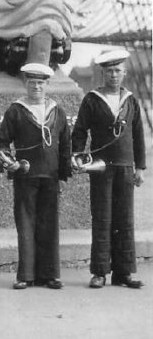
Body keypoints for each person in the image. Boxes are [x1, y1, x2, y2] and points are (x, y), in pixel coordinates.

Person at [72, 49, 146, 289]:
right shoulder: (92, 99)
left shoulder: (131, 100)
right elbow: (80, 131)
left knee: (125, 219)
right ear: (102, 73)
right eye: (109, 71)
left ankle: (124, 273)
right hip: (101, 167)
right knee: (102, 218)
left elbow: (138, 135)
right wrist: (79, 157)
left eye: (117, 71)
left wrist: (140, 168)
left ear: (124, 72)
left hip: (125, 167)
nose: (113, 75)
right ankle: (100, 272)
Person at [0, 63, 71, 290]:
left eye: (40, 83)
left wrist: (65, 171)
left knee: (49, 224)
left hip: (50, 175)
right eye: (32, 82)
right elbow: (1, 143)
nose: (36, 86)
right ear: (26, 84)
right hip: (25, 176)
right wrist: (9, 162)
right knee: (26, 224)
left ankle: (50, 275)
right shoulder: (16, 110)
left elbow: (65, 143)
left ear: (47, 84)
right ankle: (25, 275)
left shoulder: (57, 111)